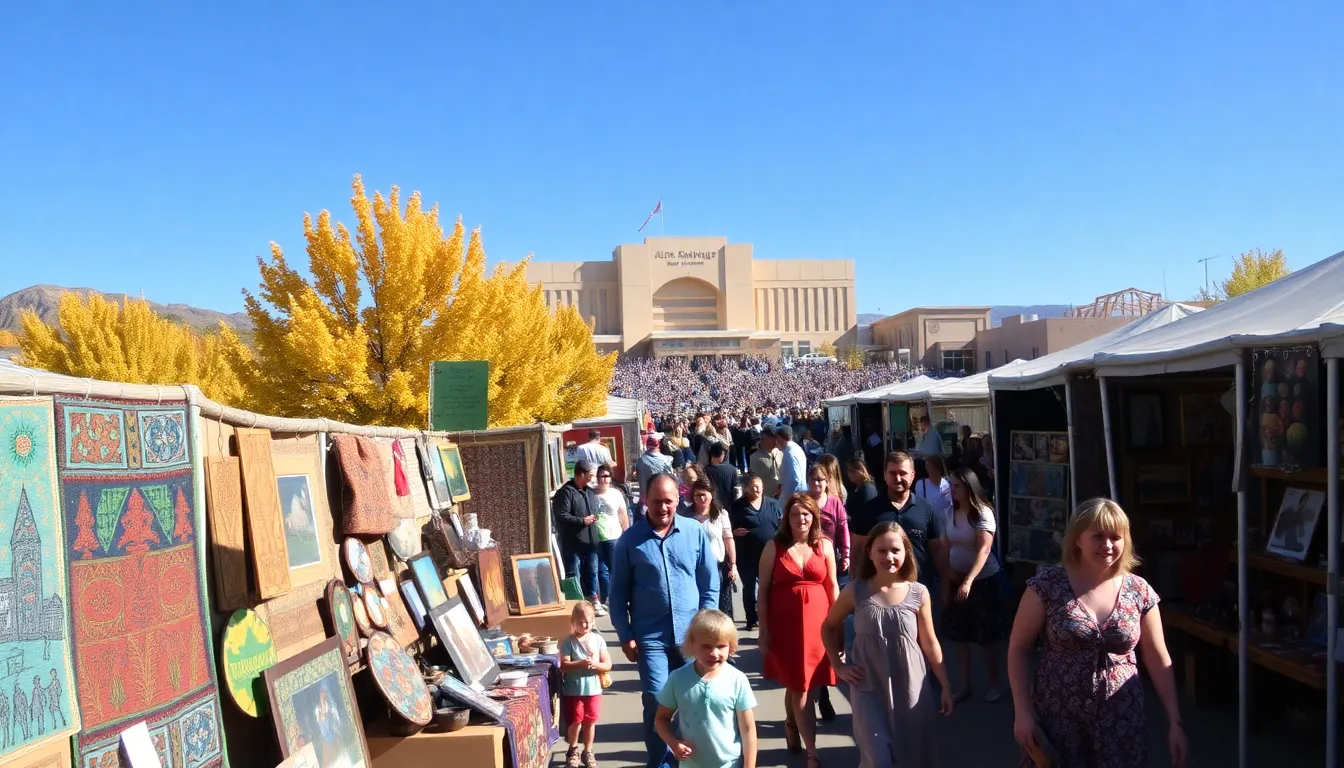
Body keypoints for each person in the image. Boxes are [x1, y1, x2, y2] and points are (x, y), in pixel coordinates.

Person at [1008, 499, 1188, 768]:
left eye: (1116, 537)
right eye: (1098, 536)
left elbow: (1157, 656)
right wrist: (1022, 711)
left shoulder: (1138, 590)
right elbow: (1018, 648)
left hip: (1121, 720)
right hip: (1059, 718)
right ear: (1077, 539)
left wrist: (1175, 720)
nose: (1107, 545)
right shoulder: (1047, 586)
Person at [821, 521, 953, 768]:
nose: (889, 557)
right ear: (869, 552)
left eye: (895, 550)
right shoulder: (855, 590)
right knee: (878, 758)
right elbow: (828, 626)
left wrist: (945, 685)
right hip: (867, 684)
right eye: (881, 550)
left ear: (906, 553)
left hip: (910, 685)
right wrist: (838, 666)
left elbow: (930, 641)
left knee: (912, 755)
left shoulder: (919, 593)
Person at [610, 474, 720, 768]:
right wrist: (625, 633)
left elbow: (709, 582)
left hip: (690, 639)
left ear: (677, 501)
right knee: (657, 701)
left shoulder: (694, 532)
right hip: (651, 640)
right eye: (657, 501)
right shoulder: (630, 541)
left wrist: (706, 625)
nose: (663, 507)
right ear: (645, 500)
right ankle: (660, 764)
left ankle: (695, 761)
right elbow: (618, 594)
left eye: (668, 501)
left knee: (694, 702)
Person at [758, 494, 838, 768]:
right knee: (800, 686)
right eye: (795, 514)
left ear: (814, 516)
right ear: (787, 518)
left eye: (806, 514)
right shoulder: (774, 547)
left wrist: (837, 627)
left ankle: (791, 723)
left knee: (806, 685)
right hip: (785, 626)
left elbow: (833, 588)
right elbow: (763, 591)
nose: (801, 519)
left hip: (819, 625)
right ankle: (812, 752)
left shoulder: (824, 546)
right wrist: (763, 629)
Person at [655, 610, 758, 768]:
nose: (713, 653)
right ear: (692, 644)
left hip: (729, 764)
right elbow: (661, 719)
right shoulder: (678, 678)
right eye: (706, 646)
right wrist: (674, 743)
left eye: (721, 646)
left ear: (731, 646)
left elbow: (748, 729)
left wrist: (749, 766)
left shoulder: (737, 680)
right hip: (691, 764)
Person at [942, 468, 1004, 703]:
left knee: (987, 636)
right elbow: (946, 546)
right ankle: (964, 685)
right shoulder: (950, 513)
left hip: (983, 581)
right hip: (957, 579)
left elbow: (984, 550)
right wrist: (948, 576)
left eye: (957, 485)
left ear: (969, 487)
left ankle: (993, 683)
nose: (952, 490)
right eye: (951, 485)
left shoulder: (982, 513)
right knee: (959, 636)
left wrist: (968, 580)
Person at [849, 453, 948, 595]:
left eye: (903, 473)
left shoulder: (927, 510)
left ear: (912, 475)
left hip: (919, 592)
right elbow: (858, 550)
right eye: (892, 473)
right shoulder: (868, 510)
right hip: (878, 593)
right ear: (884, 475)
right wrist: (855, 587)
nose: (898, 478)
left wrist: (945, 588)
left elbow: (939, 552)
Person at [805, 462, 849, 722]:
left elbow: (843, 529)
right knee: (817, 629)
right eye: (814, 480)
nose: (818, 484)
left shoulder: (834, 503)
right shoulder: (804, 501)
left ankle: (838, 654)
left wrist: (846, 555)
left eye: (822, 480)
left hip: (833, 567)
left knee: (835, 618)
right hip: (811, 567)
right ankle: (822, 695)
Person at [561, 601, 612, 768]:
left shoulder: (598, 640)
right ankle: (573, 749)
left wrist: (595, 665)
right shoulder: (568, 641)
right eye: (581, 622)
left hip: (593, 689)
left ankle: (588, 750)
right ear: (573, 622)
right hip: (574, 689)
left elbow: (607, 664)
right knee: (575, 720)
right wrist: (580, 664)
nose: (585, 625)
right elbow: (564, 665)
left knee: (590, 721)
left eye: (588, 622)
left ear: (593, 622)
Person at [729, 475, 783, 632]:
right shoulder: (738, 507)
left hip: (769, 553)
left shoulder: (773, 504)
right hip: (747, 554)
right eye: (753, 486)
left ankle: (771, 615)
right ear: (746, 488)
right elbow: (727, 528)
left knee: (771, 586)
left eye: (760, 486)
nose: (757, 489)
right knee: (750, 587)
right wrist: (734, 532)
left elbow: (781, 524)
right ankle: (751, 619)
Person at [681, 479, 738, 619]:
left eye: (704, 494)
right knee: (698, 607)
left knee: (719, 608)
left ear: (712, 495)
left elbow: (728, 539)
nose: (701, 498)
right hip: (693, 568)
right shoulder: (685, 517)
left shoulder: (721, 514)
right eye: (697, 495)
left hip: (717, 567)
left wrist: (733, 565)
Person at [554, 461, 602, 610]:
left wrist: (595, 517)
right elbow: (561, 515)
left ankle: (592, 599)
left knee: (592, 572)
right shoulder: (566, 492)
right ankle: (575, 604)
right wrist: (582, 521)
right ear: (581, 473)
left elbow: (595, 509)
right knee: (574, 573)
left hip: (591, 541)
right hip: (573, 542)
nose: (593, 477)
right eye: (591, 474)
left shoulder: (590, 492)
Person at [594, 466, 631, 617]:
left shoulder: (615, 494)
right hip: (596, 536)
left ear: (611, 477)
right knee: (601, 570)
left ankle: (617, 597)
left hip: (613, 535)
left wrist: (626, 533)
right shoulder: (591, 493)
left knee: (614, 568)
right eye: (601, 476)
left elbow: (622, 513)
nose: (604, 479)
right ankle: (605, 599)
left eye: (607, 476)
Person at [913, 455, 952, 520]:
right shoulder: (921, 484)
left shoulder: (947, 483)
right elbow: (920, 506)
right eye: (927, 466)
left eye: (932, 467)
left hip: (947, 523)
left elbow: (951, 505)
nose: (930, 470)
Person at [704, 443, 741, 510]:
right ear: (723, 454)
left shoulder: (705, 470)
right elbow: (737, 490)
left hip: (712, 507)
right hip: (729, 507)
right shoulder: (732, 469)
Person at [775, 426, 808, 500]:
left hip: (793, 497)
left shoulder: (789, 453)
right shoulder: (795, 447)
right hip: (797, 494)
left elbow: (795, 480)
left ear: (779, 438)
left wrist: (789, 499)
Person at [844, 457, 880, 526]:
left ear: (861, 470)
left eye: (852, 471)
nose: (849, 474)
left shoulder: (867, 488)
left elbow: (866, 513)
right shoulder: (856, 487)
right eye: (848, 471)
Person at [748, 432, 781, 499]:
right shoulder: (755, 458)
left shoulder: (780, 453)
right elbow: (753, 480)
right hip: (766, 498)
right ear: (765, 439)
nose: (776, 440)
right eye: (773, 438)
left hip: (782, 496)